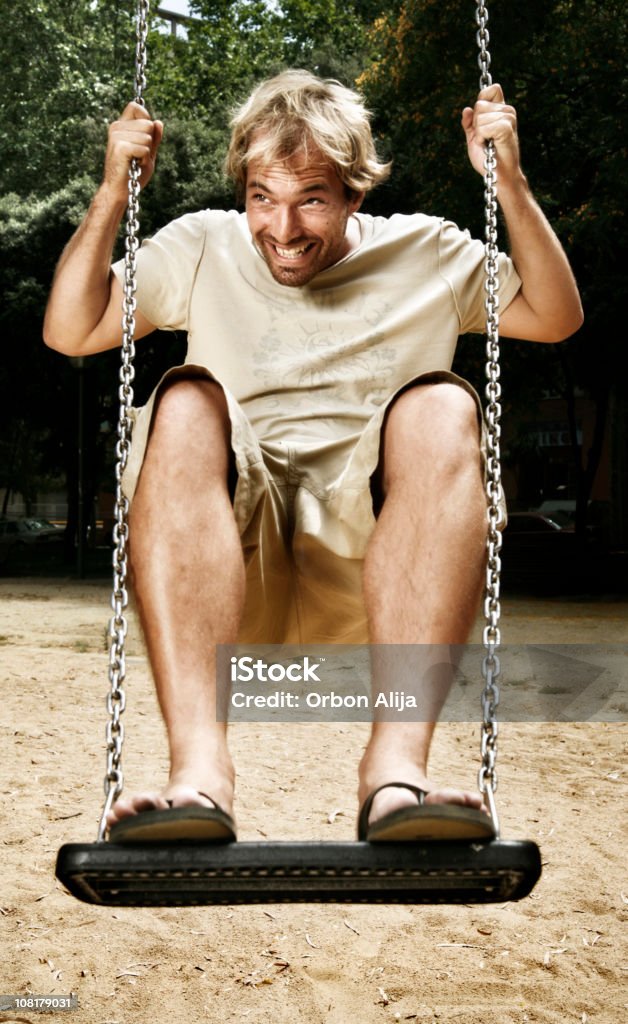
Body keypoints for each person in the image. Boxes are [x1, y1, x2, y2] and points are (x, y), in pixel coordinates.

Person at [44, 70, 583, 844]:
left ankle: (395, 775)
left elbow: (557, 316)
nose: (283, 228)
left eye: (313, 200)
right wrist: (111, 195)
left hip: (386, 566)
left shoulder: (424, 250)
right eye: (263, 196)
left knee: (443, 403)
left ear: (356, 194)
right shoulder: (202, 244)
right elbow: (70, 330)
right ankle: (199, 774)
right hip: (229, 554)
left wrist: (510, 183)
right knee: (186, 400)